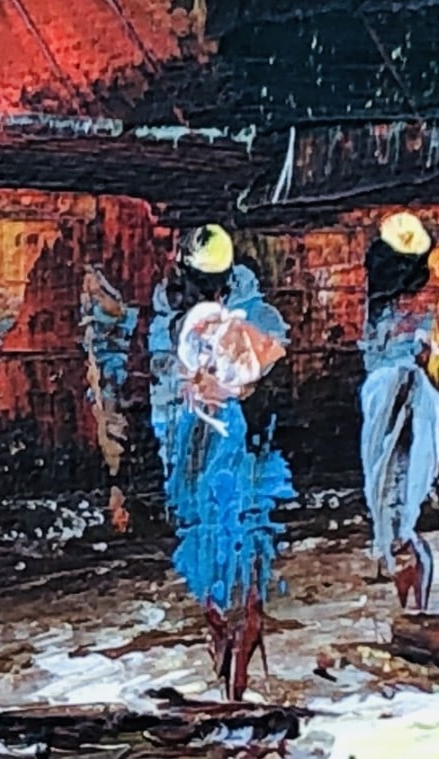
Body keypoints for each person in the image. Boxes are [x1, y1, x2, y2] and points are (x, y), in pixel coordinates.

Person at [152, 224, 293, 699]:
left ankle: (232, 671)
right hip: (214, 438)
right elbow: (239, 378)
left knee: (225, 540)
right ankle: (231, 670)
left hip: (219, 439)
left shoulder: (226, 318)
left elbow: (253, 376)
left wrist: (223, 386)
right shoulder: (203, 319)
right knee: (225, 545)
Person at [358, 211, 439, 611]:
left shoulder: (396, 308)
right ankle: (403, 555)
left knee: (390, 474)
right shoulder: (388, 307)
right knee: (392, 474)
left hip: (395, 387)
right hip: (394, 387)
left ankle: (402, 551)